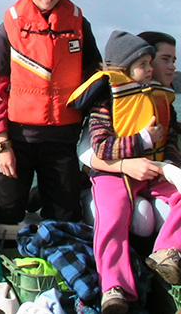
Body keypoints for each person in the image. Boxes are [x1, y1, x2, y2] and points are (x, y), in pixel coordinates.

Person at [0, 0, 101, 224]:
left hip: (63, 139)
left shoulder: (80, 25)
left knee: (65, 214)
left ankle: (58, 263)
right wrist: (2, 143)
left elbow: (94, 78)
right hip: (18, 139)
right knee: (8, 211)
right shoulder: (8, 27)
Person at [68, 31, 181, 314]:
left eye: (173, 61)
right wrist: (140, 145)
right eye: (164, 59)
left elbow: (170, 142)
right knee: (116, 214)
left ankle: (167, 254)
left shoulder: (163, 100)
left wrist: (168, 167)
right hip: (115, 177)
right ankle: (114, 287)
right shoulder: (108, 99)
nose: (172, 67)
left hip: (153, 174)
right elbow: (95, 151)